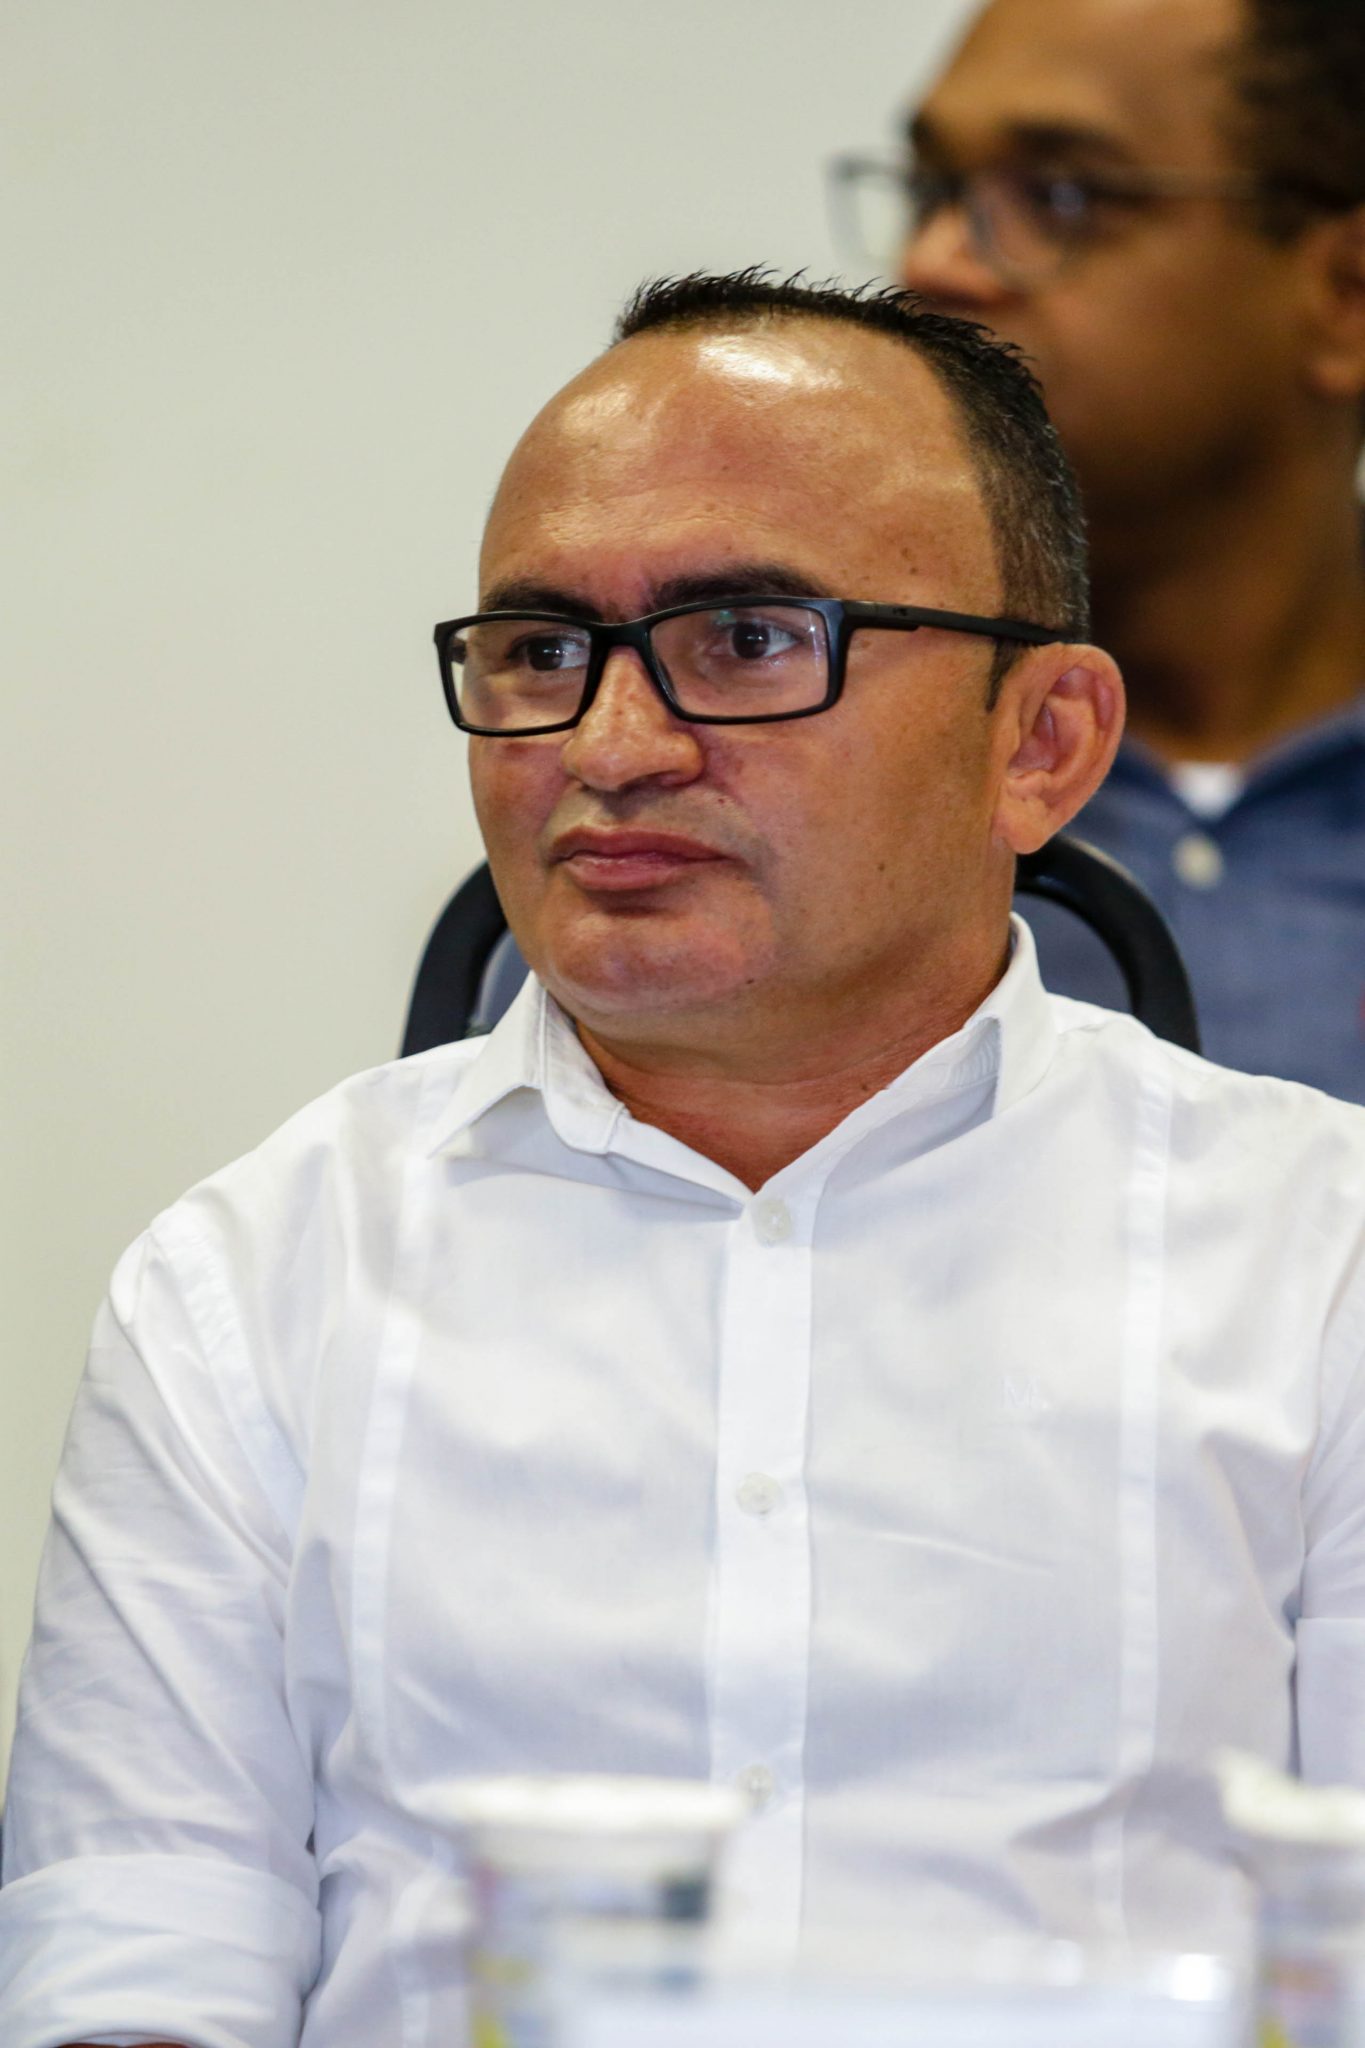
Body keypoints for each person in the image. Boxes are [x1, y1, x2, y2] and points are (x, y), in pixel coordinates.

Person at [5, 273, 1365, 2048]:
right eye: (540, 652)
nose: (610, 747)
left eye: (746, 639)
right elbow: (142, 1958)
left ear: (1040, 745)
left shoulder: (1319, 1262)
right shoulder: (250, 1283)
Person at [833, 0, 1365, 1096]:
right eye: (931, 189)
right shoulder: (785, 776)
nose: (932, 261)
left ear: (1345, 295)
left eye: (1060, 195)